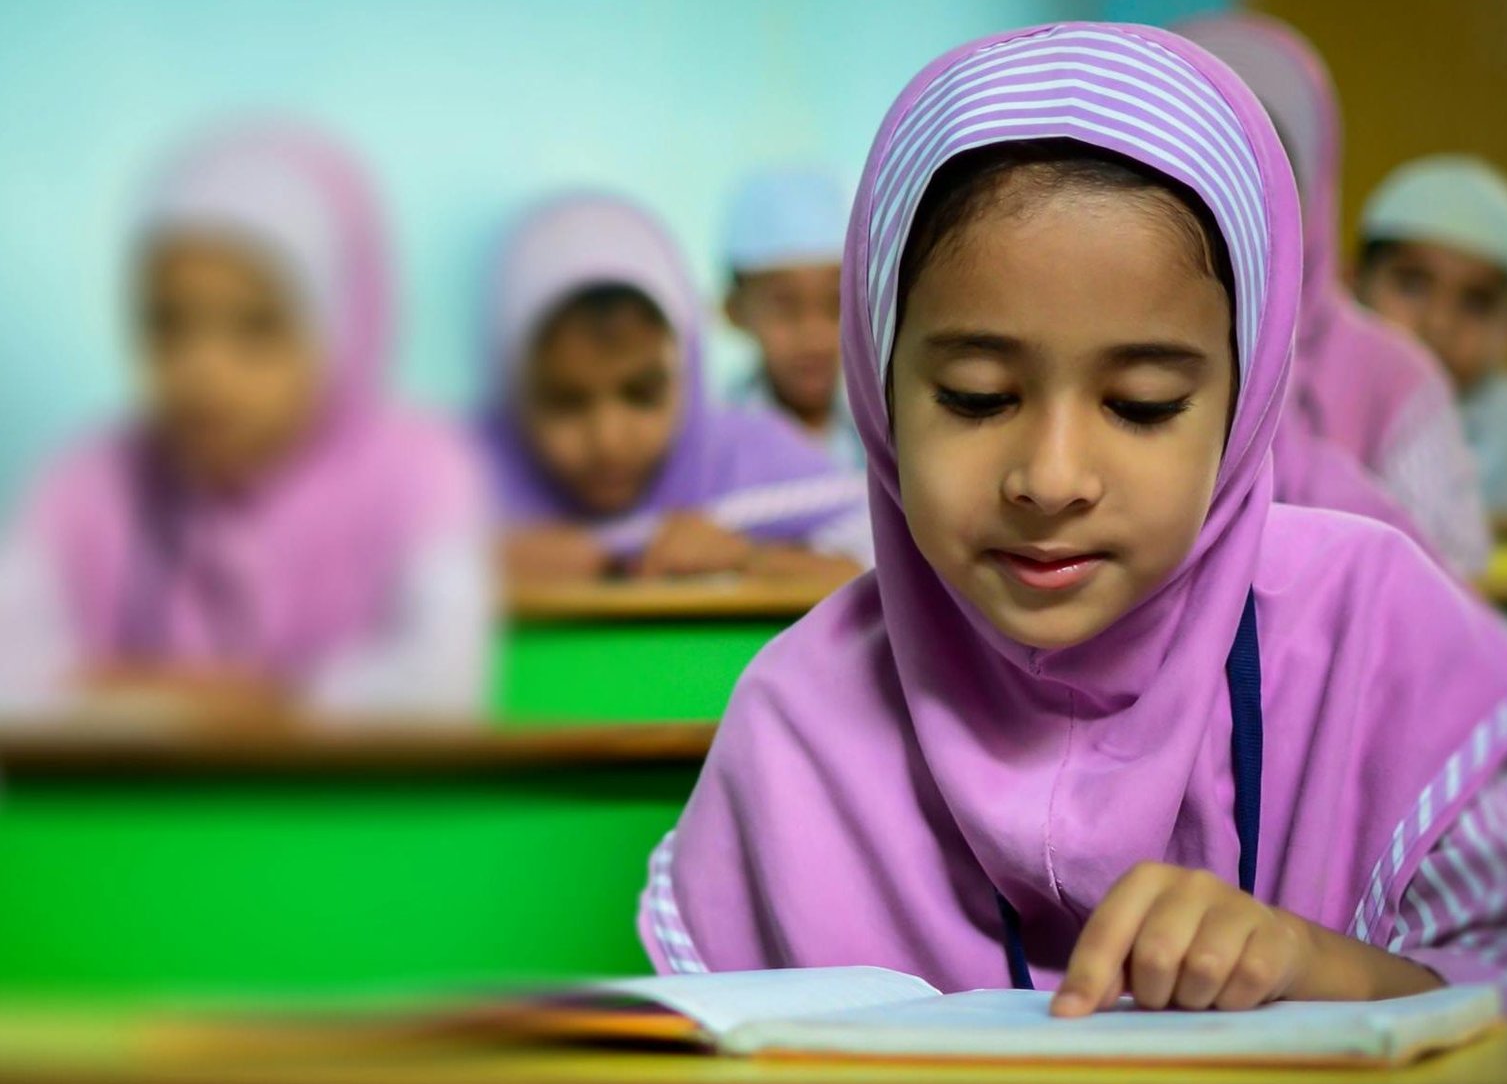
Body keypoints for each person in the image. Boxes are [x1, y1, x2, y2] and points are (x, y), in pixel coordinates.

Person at [641, 23, 1507, 1020]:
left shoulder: (1381, 636)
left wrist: (1332, 973)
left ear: (1247, 394)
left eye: (1140, 404)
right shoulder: (800, 722)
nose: (1051, 480)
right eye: (974, 396)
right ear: (879, 389)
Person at [0, 122, 492, 720]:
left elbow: (442, 689)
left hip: (345, 814)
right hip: (132, 816)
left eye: (256, 327)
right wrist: (276, 705)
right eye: (168, 323)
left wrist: (157, 701)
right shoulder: (86, 482)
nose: (202, 370)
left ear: (339, 327)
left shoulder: (420, 470)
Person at [1178, 13, 1490, 576]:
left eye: (1265, 171)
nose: (1229, 203)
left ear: (1311, 195)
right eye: (1192, 170)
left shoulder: (1393, 374)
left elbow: (1448, 573)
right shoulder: (1097, 349)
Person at [481, 192, 870, 583]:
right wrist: (478, 569)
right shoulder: (472, 481)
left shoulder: (753, 459)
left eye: (642, 395)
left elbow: (886, 565)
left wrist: (749, 558)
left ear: (687, 373)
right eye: (566, 403)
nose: (609, 441)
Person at [1356, 155, 1507, 517]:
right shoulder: (1302, 399)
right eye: (1412, 284)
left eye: (1477, 303)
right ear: (1351, 287)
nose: (1439, 323)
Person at [717, 167, 864, 470]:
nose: (814, 337)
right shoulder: (709, 441)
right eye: (784, 307)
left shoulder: (891, 424)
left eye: (836, 303)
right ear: (734, 310)